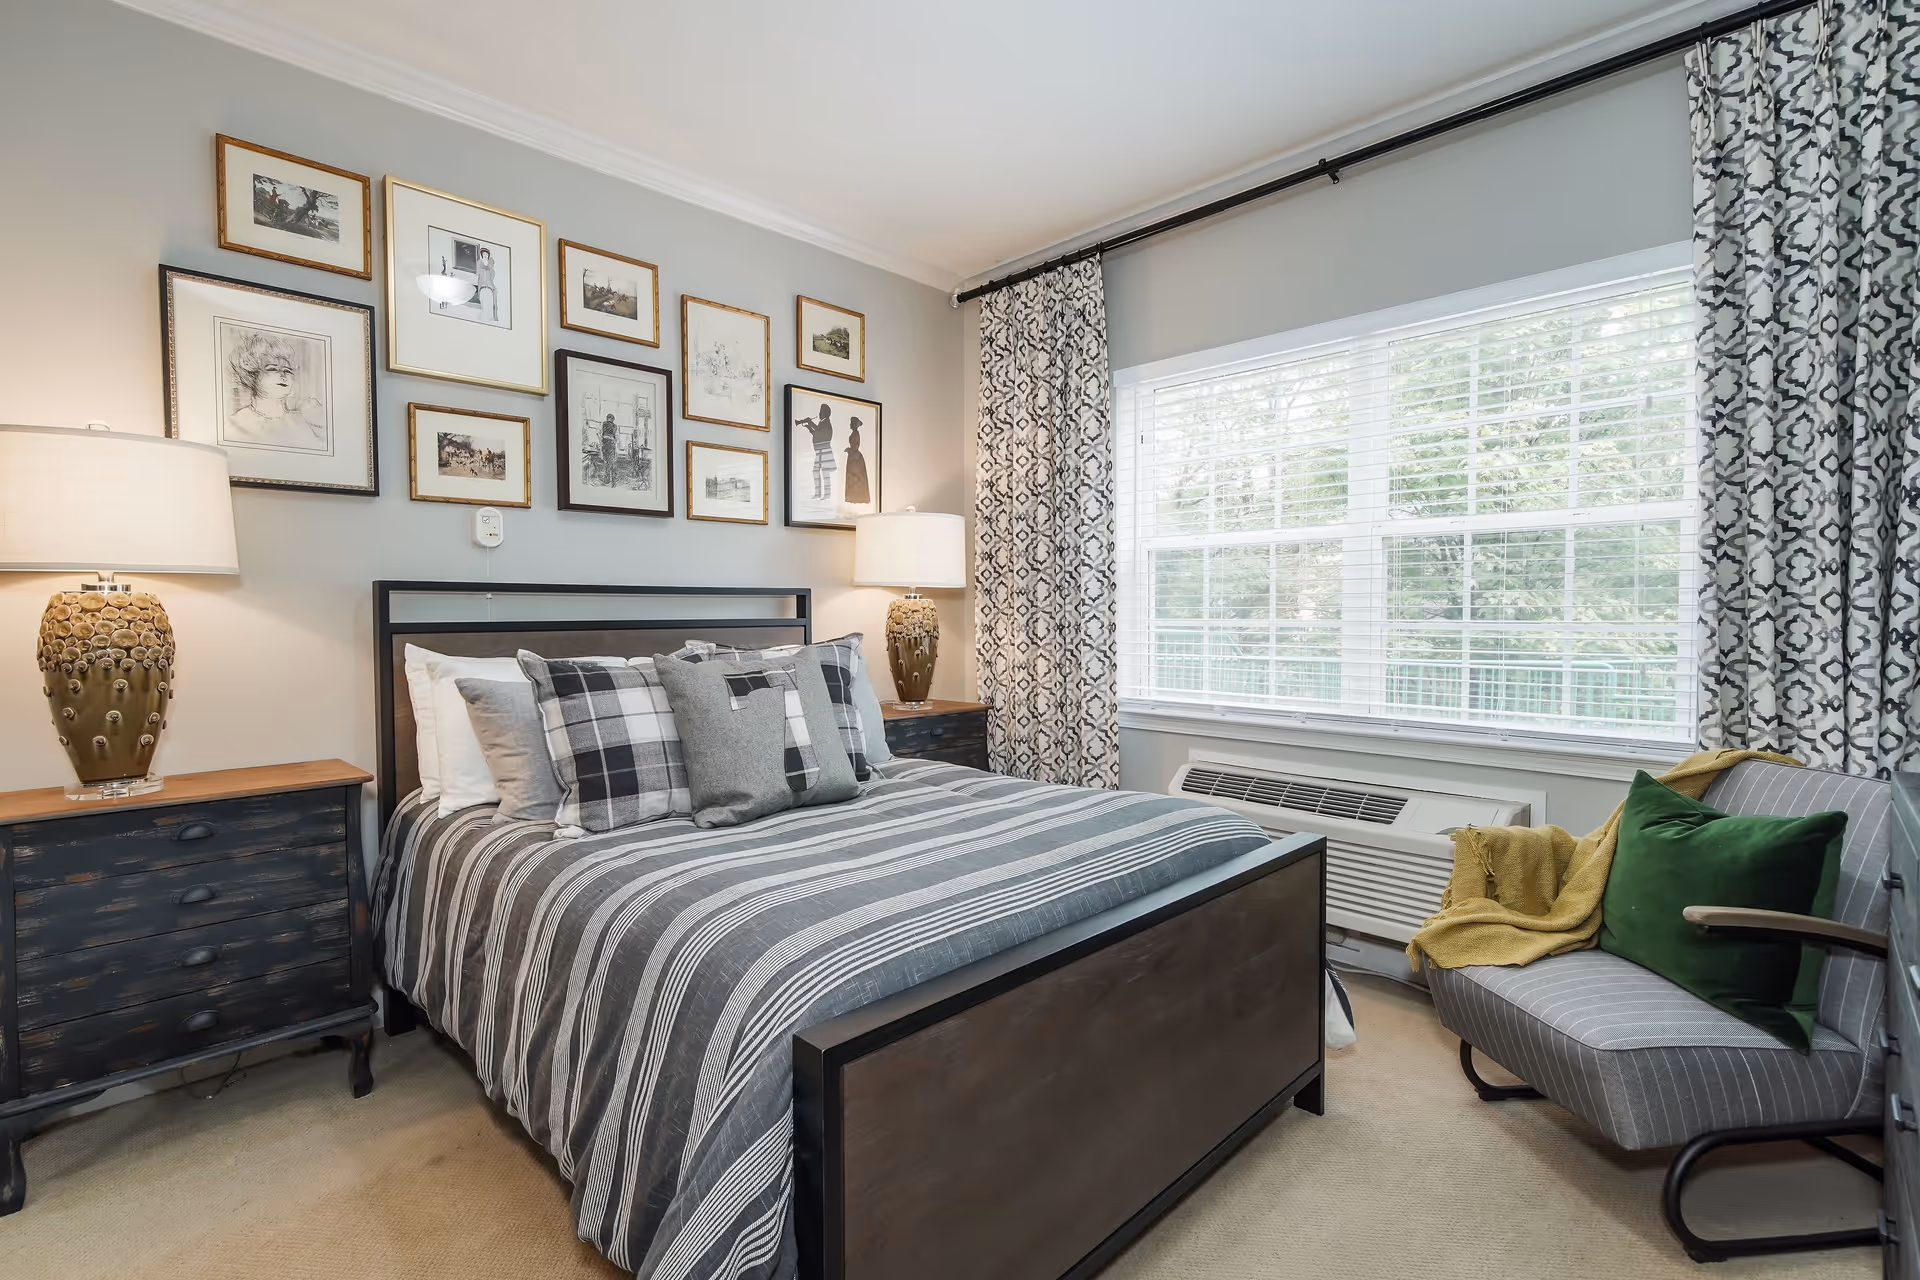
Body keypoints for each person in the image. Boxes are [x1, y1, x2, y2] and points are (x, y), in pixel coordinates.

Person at [224, 329, 326, 450]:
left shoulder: (304, 420)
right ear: (252, 376)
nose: (283, 376)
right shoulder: (235, 423)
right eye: (272, 369)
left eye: (288, 370)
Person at [800, 402, 837, 500]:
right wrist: (809, 427)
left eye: (820, 411)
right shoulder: (823, 423)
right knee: (819, 471)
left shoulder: (826, 423)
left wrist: (810, 423)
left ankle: (825, 494)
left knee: (823, 472)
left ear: (824, 413)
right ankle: (820, 493)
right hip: (821, 450)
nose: (819, 413)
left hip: (824, 450)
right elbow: (817, 434)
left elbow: (818, 433)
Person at [843, 417, 871, 506]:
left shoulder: (856, 433)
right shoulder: (854, 433)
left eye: (851, 423)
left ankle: (857, 497)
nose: (850, 424)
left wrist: (849, 450)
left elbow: (855, 446)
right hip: (853, 456)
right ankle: (853, 497)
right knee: (853, 477)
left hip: (855, 458)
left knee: (855, 477)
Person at [475, 247, 498, 322]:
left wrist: (489, 265)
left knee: (490, 306)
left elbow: (492, 276)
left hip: (490, 289)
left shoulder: (491, 268)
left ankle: (490, 320)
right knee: (484, 306)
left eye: (486, 254)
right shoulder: (479, 264)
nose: (485, 255)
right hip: (482, 288)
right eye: (483, 254)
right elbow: (478, 276)